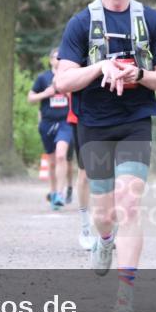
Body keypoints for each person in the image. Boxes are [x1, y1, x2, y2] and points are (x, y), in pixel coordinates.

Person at [55, 0, 156, 312]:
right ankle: (104, 241)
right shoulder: (81, 23)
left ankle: (125, 296)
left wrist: (139, 73)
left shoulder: (150, 21)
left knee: (129, 204)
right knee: (104, 215)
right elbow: (62, 82)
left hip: (135, 121)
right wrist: (101, 67)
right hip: (95, 124)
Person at [27, 47, 73, 210]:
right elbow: (30, 98)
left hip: (66, 122)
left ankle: (60, 193)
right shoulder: (43, 78)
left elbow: (78, 97)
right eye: (55, 57)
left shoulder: (70, 76)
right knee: (52, 162)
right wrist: (46, 93)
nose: (58, 60)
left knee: (61, 155)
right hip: (47, 123)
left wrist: (66, 92)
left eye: (61, 57)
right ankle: (53, 193)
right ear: (50, 60)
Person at [65, 91, 95, 249]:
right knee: (85, 173)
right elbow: (62, 82)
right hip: (82, 117)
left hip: (116, 116)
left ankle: (111, 227)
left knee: (116, 174)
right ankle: (85, 229)